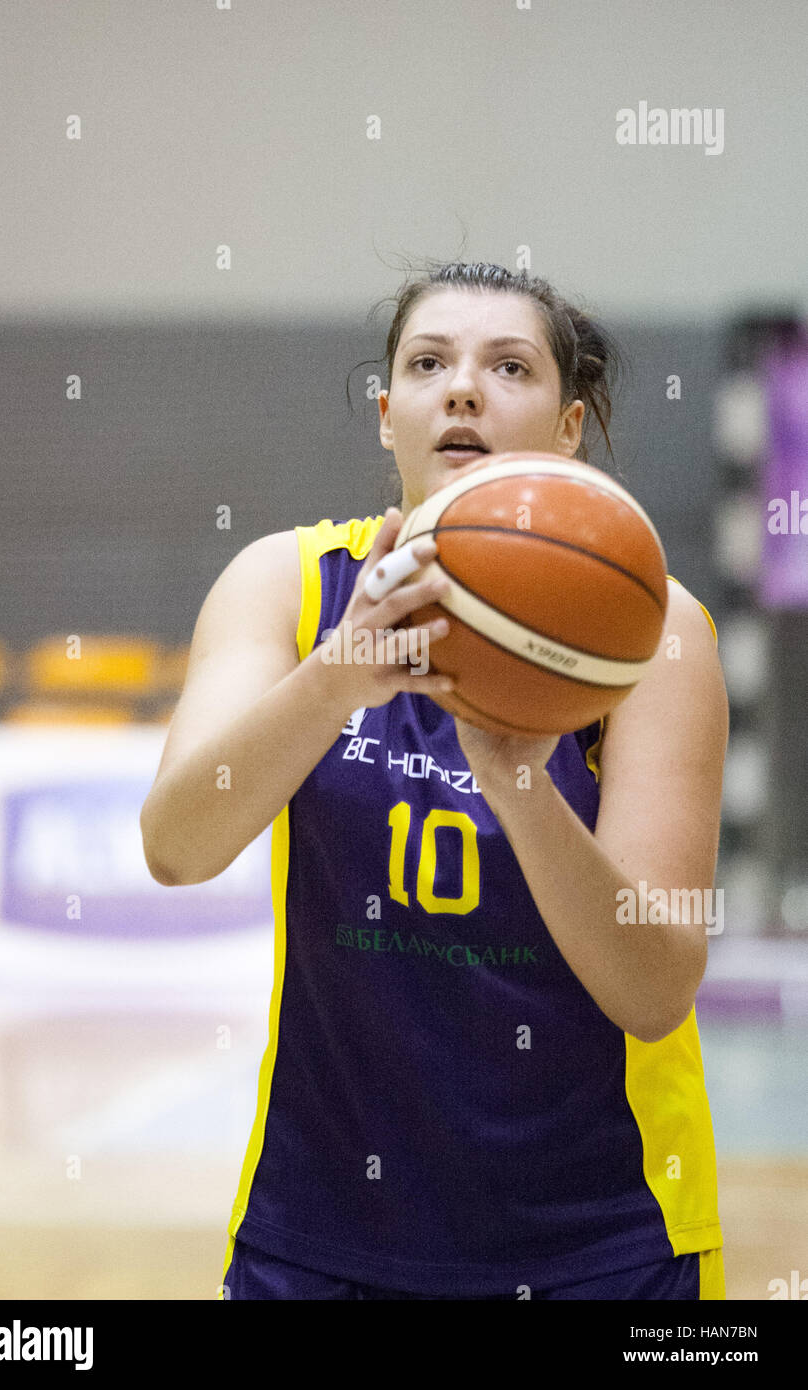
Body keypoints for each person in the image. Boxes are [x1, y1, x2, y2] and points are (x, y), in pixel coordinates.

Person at [140, 261, 729, 1300]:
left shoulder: (652, 631)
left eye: (508, 367)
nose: (462, 389)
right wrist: (336, 676)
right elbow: (176, 847)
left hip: (603, 1243)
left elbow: (653, 989)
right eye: (427, 364)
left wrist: (517, 783)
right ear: (385, 414)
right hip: (319, 1235)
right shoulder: (287, 585)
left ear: (566, 426)